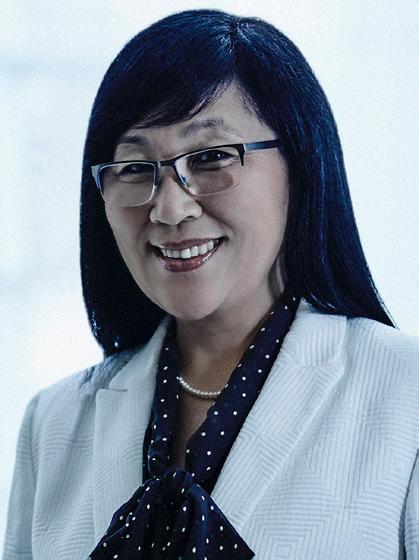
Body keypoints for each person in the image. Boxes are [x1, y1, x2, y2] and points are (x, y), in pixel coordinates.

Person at [3, 8, 419, 560]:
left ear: (301, 166)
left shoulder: (405, 395)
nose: (170, 208)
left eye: (211, 157)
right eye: (135, 168)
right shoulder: (52, 425)